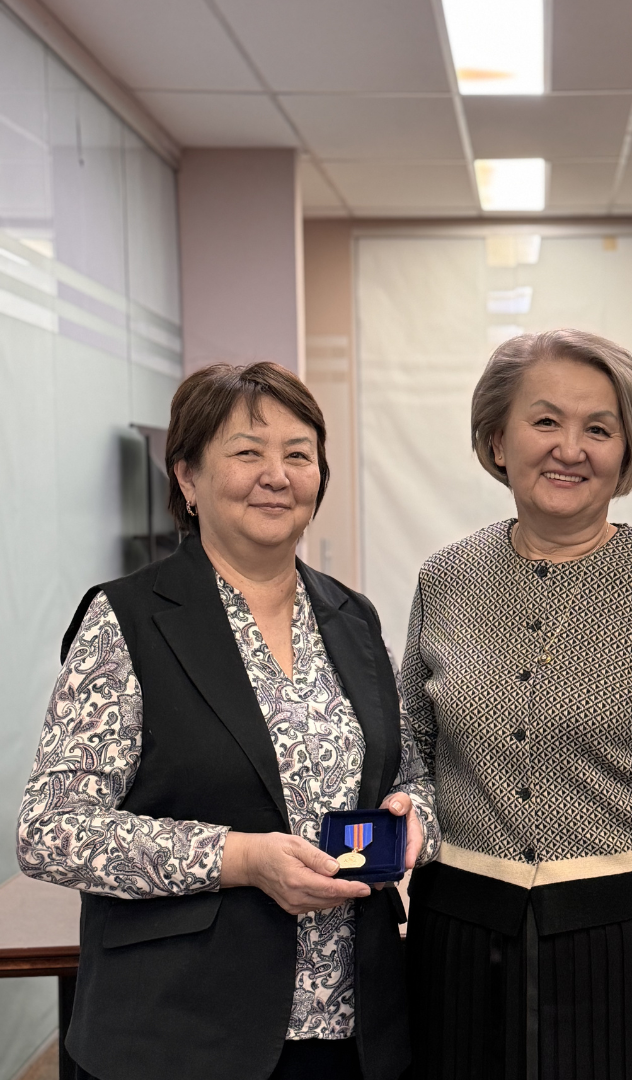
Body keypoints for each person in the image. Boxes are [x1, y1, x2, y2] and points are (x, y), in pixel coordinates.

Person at [17, 362, 439, 1080]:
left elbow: (409, 775)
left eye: (298, 454)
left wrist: (413, 823)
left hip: (353, 1032)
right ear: (187, 478)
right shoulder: (127, 619)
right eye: (248, 452)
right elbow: (51, 830)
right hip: (180, 1035)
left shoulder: (353, 617)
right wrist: (240, 859)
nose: (276, 475)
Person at [401, 329, 632, 1080]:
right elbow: (414, 750)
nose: (571, 448)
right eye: (545, 421)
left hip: (630, 946)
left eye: (599, 428)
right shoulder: (444, 580)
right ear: (498, 439)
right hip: (460, 938)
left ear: (627, 453)